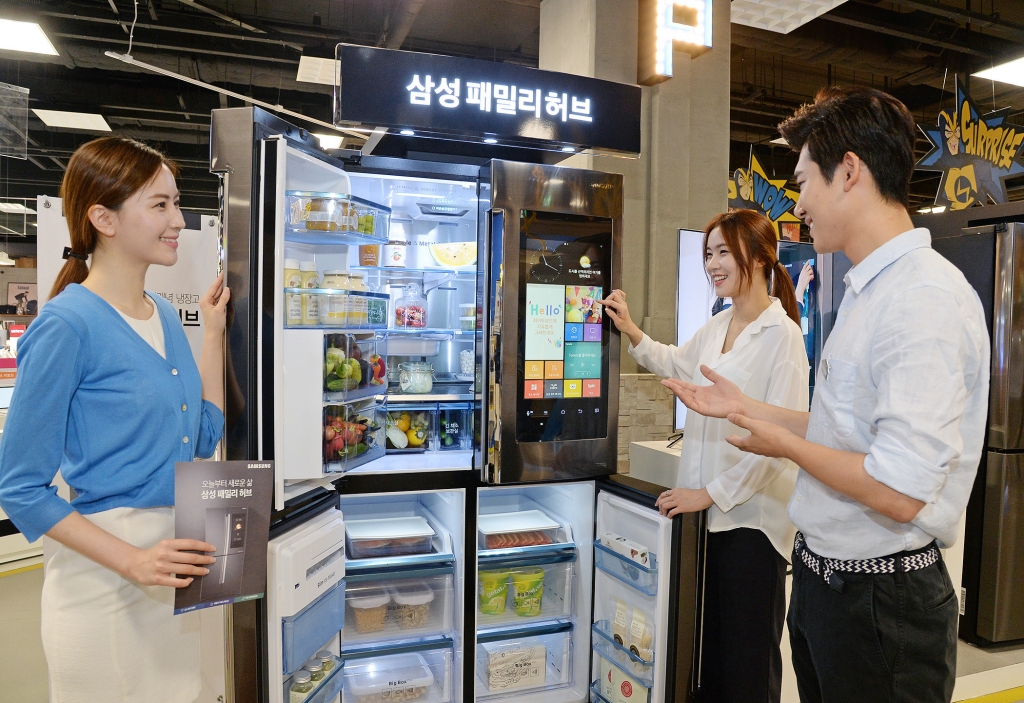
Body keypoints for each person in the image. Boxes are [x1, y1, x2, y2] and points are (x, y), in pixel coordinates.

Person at [669, 87, 989, 703]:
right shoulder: (870, 291)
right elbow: (843, 428)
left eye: (803, 181)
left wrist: (781, 443)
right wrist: (744, 407)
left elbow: (899, 491)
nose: (799, 204)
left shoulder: (923, 298)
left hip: (881, 600)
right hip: (828, 585)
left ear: (848, 172)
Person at [0, 137, 229, 703]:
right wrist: (134, 560)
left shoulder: (166, 316)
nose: (178, 221)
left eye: (177, 203)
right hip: (104, 581)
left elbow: (204, 437)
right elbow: (20, 488)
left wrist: (214, 334)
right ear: (103, 219)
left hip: (172, 567)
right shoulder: (66, 325)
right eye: (160, 205)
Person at [601, 209, 808, 703]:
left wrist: (708, 493)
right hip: (709, 520)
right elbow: (676, 362)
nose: (712, 264)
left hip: (752, 527)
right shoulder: (718, 325)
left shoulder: (782, 337)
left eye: (723, 253)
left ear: (760, 257)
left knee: (746, 668)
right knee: (710, 658)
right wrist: (631, 329)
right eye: (708, 254)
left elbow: (779, 448)